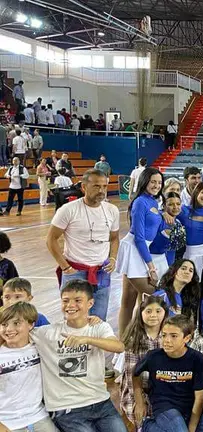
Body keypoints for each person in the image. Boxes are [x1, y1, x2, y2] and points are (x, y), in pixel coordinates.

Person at [31, 280, 127, 432]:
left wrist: (86, 339)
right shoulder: (47, 333)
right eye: (65, 301)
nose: (70, 305)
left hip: (101, 402)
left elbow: (119, 347)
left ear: (90, 303)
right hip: (67, 408)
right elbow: (11, 330)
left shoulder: (99, 327)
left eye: (77, 301)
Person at [46, 169, 119, 320]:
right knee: (73, 320)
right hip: (75, 272)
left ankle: (95, 345)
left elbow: (114, 238)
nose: (101, 190)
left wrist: (112, 259)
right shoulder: (68, 210)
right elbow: (51, 239)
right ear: (84, 187)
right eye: (96, 186)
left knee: (99, 319)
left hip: (101, 272)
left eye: (104, 186)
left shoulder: (112, 210)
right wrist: (65, 267)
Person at [132, 315, 203, 432]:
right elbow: (135, 373)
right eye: (164, 335)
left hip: (191, 407)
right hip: (165, 407)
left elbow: (199, 397)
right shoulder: (153, 356)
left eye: (174, 336)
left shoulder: (197, 359)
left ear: (187, 338)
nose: (167, 340)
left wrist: (192, 428)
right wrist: (139, 401)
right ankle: (148, 425)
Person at [115, 167, 165, 335]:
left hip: (142, 249)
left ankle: (124, 342)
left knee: (129, 298)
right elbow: (139, 237)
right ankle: (130, 341)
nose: (157, 185)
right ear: (144, 182)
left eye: (159, 182)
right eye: (153, 182)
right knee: (153, 294)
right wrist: (151, 266)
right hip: (135, 248)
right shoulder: (140, 202)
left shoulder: (153, 201)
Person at [0, 302, 59, 432]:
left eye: (16, 323)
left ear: (31, 325)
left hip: (39, 417)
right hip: (7, 423)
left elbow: (67, 331)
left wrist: (90, 320)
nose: (8, 329)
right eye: (4, 324)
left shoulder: (41, 347)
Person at [120, 295, 168, 428]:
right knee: (140, 415)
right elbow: (132, 373)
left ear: (165, 313)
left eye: (158, 311)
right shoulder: (133, 337)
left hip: (162, 385)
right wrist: (139, 402)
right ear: (140, 313)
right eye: (148, 311)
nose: (153, 315)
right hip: (138, 387)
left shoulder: (168, 336)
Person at [178, 182, 203, 278]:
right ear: (196, 192)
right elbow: (165, 211)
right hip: (191, 254)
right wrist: (166, 215)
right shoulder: (184, 210)